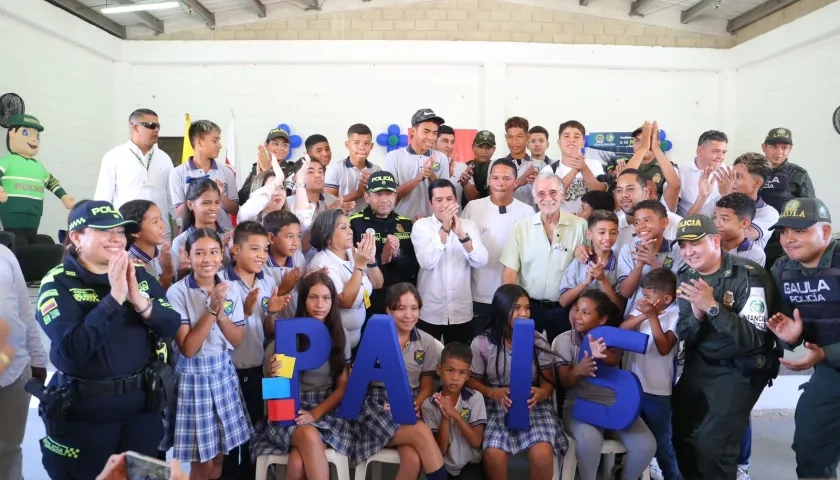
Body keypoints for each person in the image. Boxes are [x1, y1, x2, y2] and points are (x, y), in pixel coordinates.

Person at [34, 200, 181, 479]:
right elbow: (72, 349)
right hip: (85, 416)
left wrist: (140, 302)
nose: (116, 238)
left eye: (120, 232)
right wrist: (114, 298)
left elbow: (171, 324)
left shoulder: (139, 275)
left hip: (141, 411)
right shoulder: (58, 282)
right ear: (76, 237)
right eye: (104, 231)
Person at [671, 214, 778, 480]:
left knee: (714, 446)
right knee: (680, 432)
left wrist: (713, 307)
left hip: (740, 368)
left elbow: (754, 337)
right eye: (683, 245)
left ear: (716, 240)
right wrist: (697, 315)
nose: (688, 251)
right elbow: (685, 333)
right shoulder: (685, 275)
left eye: (695, 243)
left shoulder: (748, 275)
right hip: (701, 363)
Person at [163, 228, 252, 480]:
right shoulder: (177, 292)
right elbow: (188, 348)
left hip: (223, 372)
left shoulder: (229, 288)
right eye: (199, 253)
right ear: (188, 257)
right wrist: (211, 310)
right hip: (194, 377)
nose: (207, 259)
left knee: (219, 456)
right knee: (202, 460)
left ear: (221, 254)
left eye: (213, 252)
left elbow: (236, 339)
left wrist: (221, 313)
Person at [252, 272, 355, 479]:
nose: (320, 304)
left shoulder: (339, 334)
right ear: (304, 300)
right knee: (306, 437)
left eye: (326, 298)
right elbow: (271, 393)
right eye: (313, 297)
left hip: (326, 409)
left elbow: (343, 388)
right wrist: (274, 375)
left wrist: (315, 413)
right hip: (289, 407)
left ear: (332, 301)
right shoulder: (289, 334)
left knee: (298, 461)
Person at [765, 197, 839, 479]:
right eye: (784, 231)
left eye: (800, 230)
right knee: (811, 448)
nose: (789, 239)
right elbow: (783, 322)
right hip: (832, 374)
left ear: (826, 232)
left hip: (829, 360)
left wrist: (826, 353)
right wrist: (790, 338)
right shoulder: (783, 270)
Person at [555, 289, 656, 480]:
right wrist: (579, 369)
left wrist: (599, 354)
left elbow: (612, 360)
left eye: (585, 313)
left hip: (614, 403)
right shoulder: (564, 341)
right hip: (579, 404)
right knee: (590, 439)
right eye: (577, 310)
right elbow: (566, 383)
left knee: (646, 445)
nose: (578, 316)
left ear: (601, 320)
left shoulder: (612, 339)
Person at [352, 283, 450, 480]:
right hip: (376, 404)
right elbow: (359, 379)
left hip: (410, 402)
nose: (408, 315)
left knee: (413, 461)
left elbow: (427, 385)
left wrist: (417, 403)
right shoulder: (375, 337)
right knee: (421, 431)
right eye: (401, 308)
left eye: (414, 308)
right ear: (389, 310)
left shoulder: (427, 342)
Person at [467, 284, 565, 480]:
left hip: (532, 403)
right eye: (516, 308)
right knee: (493, 454)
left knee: (542, 454)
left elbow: (548, 383)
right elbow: (471, 381)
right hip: (496, 403)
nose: (523, 313)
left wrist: (542, 393)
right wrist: (491, 393)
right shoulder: (482, 343)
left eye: (527, 307)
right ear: (502, 309)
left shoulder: (538, 342)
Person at [219, 221, 289, 479]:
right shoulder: (223, 282)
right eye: (255, 249)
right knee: (229, 441)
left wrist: (271, 311)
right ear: (235, 250)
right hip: (228, 372)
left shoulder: (268, 280)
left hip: (257, 369)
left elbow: (269, 330)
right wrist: (246, 310)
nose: (262, 256)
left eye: (265, 250)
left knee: (256, 429)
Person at [501, 172, 587, 341]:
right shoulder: (520, 228)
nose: (547, 198)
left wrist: (578, 309)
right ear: (534, 197)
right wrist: (511, 310)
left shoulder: (580, 226)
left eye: (553, 192)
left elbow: (586, 273)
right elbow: (509, 272)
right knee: (528, 359)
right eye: (541, 193)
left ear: (562, 194)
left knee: (563, 359)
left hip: (566, 309)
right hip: (528, 308)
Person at [619, 269, 681, 480]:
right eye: (642, 295)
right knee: (633, 439)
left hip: (656, 390)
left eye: (647, 296)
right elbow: (622, 329)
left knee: (663, 444)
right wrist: (645, 314)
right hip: (631, 385)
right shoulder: (643, 309)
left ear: (666, 299)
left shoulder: (675, 314)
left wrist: (653, 317)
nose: (643, 300)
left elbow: (664, 347)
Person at [412, 179, 488, 345]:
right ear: (430, 203)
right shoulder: (421, 226)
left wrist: (461, 234)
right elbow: (427, 262)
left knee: (459, 362)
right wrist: (445, 228)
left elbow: (481, 261)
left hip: (461, 310)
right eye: (439, 200)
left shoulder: (469, 225)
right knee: (428, 362)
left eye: (449, 199)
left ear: (456, 200)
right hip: (430, 310)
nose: (445, 205)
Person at [462, 159, 534, 334]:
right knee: (480, 349)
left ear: (516, 182)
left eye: (506, 178)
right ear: (489, 181)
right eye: (495, 178)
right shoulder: (473, 207)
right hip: (479, 294)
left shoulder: (527, 212)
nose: (500, 183)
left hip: (513, 297)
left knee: (510, 348)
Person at [0, 242, 47, 480]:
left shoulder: (4, 254)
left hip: (14, 371)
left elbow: (24, 310)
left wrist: (37, 357)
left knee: (9, 450)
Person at [95, 108, 176, 240]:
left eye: (158, 126)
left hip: (160, 235)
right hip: (126, 233)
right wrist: (103, 233)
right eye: (151, 126)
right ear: (134, 128)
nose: (156, 130)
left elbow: (171, 197)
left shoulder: (164, 158)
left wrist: (180, 223)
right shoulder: (114, 156)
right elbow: (103, 199)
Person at [307, 208, 383, 348]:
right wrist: (359, 266)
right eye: (343, 228)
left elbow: (378, 284)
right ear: (327, 236)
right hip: (333, 342)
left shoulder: (352, 251)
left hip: (358, 336)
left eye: (349, 226)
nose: (350, 231)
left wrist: (371, 261)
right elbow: (345, 302)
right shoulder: (322, 263)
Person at [348, 171, 419, 315]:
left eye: (389, 194)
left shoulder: (406, 223)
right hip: (368, 296)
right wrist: (381, 259)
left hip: (401, 298)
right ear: (367, 197)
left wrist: (397, 254)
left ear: (395, 196)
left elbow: (414, 269)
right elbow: (350, 266)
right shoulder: (354, 223)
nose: (385, 199)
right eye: (379, 194)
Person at [421, 342, 487, 479]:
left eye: (462, 372)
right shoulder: (429, 405)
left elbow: (476, 441)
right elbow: (441, 450)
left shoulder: (475, 398)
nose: (455, 378)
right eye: (450, 370)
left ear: (468, 375)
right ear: (439, 370)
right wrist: (445, 418)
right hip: (443, 465)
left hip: (471, 464)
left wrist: (455, 415)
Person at [759, 129, 815, 269]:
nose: (779, 152)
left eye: (784, 148)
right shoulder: (752, 171)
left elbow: (810, 212)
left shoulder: (798, 174)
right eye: (773, 147)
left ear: (790, 149)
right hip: (755, 239)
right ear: (764, 147)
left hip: (785, 243)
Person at [615, 200, 684, 314]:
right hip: (634, 318)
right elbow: (625, 293)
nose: (641, 226)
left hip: (667, 319)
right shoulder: (628, 250)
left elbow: (676, 291)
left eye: (647, 220)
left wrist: (653, 263)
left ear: (664, 222)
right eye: (636, 222)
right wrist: (639, 266)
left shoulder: (678, 249)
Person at [169, 120, 239, 231]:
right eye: (215, 141)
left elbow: (235, 210)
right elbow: (179, 213)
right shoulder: (178, 173)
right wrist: (200, 193)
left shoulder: (226, 172)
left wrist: (220, 196)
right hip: (193, 236)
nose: (219, 145)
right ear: (199, 142)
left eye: (219, 141)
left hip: (223, 234)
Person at [383, 108, 450, 220]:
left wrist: (431, 175)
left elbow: (446, 196)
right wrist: (419, 178)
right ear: (413, 131)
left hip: (433, 224)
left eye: (434, 133)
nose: (431, 137)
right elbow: (388, 196)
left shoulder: (441, 158)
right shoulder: (394, 157)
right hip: (401, 225)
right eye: (426, 131)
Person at [558, 210, 621, 308]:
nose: (608, 237)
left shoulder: (619, 264)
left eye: (613, 233)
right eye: (602, 232)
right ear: (589, 235)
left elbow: (619, 307)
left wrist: (603, 280)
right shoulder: (580, 261)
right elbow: (563, 301)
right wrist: (585, 282)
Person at [170, 178, 231, 280]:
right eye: (206, 203)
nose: (213, 208)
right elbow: (178, 281)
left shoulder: (230, 235)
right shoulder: (181, 242)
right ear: (190, 204)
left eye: (217, 202)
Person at [542, 120, 607, 214]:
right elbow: (551, 197)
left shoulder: (594, 164)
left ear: (583, 142)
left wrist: (584, 168)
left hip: (590, 224)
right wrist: (574, 170)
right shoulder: (549, 170)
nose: (571, 140)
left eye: (576, 136)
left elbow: (600, 194)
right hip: (561, 224)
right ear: (559, 142)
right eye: (566, 136)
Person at [613, 169, 682, 253]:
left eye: (630, 189)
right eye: (619, 190)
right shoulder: (613, 229)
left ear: (646, 192)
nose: (624, 195)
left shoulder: (674, 223)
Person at [261, 210, 307, 324]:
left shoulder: (298, 257)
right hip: (271, 330)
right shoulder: (260, 264)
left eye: (298, 236)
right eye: (290, 236)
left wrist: (309, 281)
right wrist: (283, 289)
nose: (296, 242)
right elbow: (258, 306)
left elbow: (301, 292)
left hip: (296, 322)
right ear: (271, 238)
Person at [624, 121, 681, 211]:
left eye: (646, 140)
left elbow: (673, 192)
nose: (642, 145)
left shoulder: (669, 169)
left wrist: (654, 149)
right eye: (637, 140)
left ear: (657, 144)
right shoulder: (624, 166)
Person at [727, 152, 779, 250]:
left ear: (756, 182)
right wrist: (703, 196)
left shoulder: (769, 213)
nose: (731, 181)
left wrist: (725, 198)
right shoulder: (718, 200)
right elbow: (694, 225)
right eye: (732, 175)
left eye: (738, 176)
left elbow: (738, 237)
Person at [324, 123, 380, 214]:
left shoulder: (377, 170)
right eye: (356, 143)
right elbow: (327, 204)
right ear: (347, 145)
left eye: (366, 143)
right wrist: (358, 193)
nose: (361, 147)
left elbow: (381, 200)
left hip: (369, 224)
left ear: (371, 146)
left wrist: (372, 186)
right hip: (343, 222)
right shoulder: (335, 169)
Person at [119, 200, 174, 289]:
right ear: (135, 232)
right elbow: (154, 299)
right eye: (155, 222)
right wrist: (167, 274)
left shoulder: (160, 256)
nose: (163, 225)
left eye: (161, 219)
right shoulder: (131, 265)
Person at [492, 116, 545, 208]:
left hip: (531, 218)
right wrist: (520, 181)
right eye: (510, 137)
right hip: (503, 217)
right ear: (506, 137)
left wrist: (539, 184)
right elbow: (493, 195)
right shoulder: (496, 165)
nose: (514, 142)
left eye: (519, 136)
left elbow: (548, 196)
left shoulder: (541, 165)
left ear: (527, 136)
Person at [677, 130, 729, 218]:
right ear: (700, 151)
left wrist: (727, 194)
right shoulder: (679, 172)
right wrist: (702, 196)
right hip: (688, 228)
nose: (721, 157)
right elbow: (670, 213)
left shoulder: (729, 173)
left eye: (723, 152)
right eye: (716, 151)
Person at [238, 127, 296, 204]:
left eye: (285, 145)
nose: (280, 148)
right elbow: (242, 198)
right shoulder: (257, 167)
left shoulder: (293, 169)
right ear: (266, 145)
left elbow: (288, 198)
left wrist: (266, 172)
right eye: (276, 144)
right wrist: (260, 175)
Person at [714, 193, 766, 266]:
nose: (716, 224)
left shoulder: (754, 254)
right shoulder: (708, 245)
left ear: (744, 223)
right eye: (715, 217)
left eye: (724, 219)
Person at [463, 130, 497, 204]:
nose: (484, 151)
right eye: (480, 147)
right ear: (473, 147)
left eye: (488, 148)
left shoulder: (498, 169)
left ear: (494, 150)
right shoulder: (464, 168)